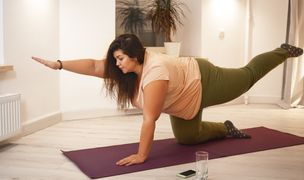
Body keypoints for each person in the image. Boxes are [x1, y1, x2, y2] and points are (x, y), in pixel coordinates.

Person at [32, 34, 303, 166]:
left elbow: (149, 119)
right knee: (188, 137)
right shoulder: (127, 68)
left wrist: (142, 155)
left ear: (136, 56)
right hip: (183, 99)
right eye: (115, 59)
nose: (117, 64)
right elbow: (93, 66)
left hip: (202, 80)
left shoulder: (155, 73)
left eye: (121, 58)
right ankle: (226, 128)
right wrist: (58, 64)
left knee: (247, 77)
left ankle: (281, 51)